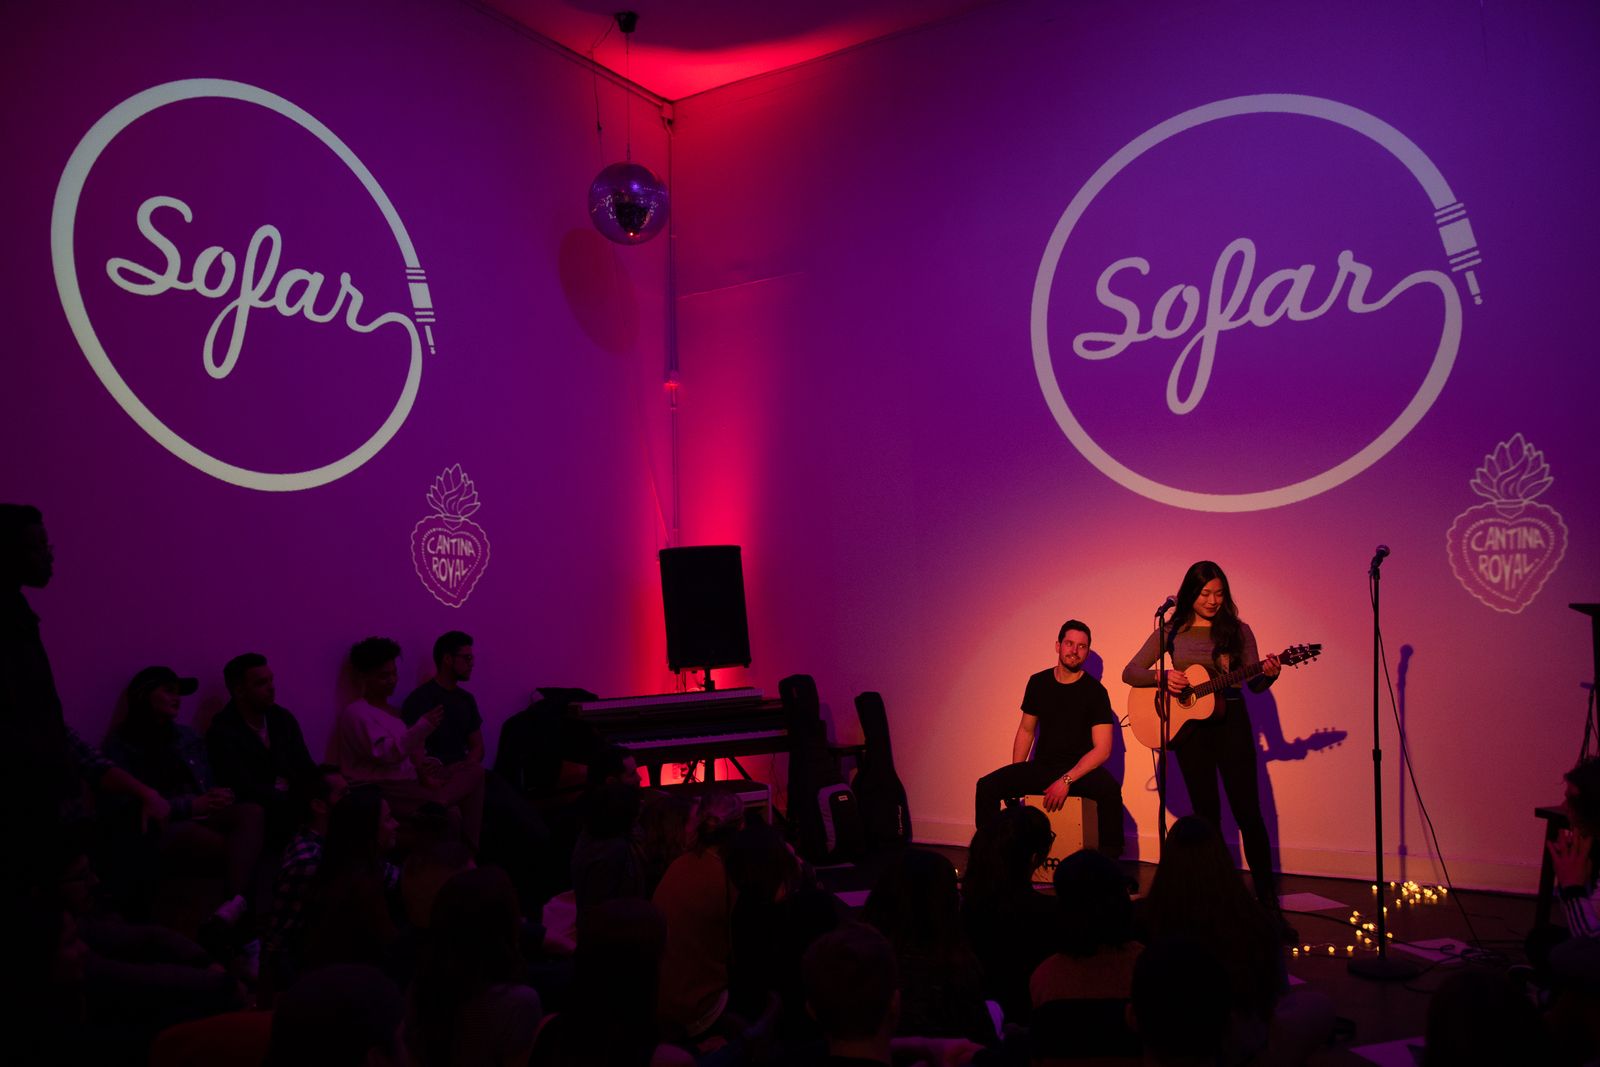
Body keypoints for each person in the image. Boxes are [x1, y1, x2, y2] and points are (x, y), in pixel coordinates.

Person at [0, 504, 168, 851]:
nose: (49, 556)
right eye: (38, 546)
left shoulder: (19, 618)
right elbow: (36, 726)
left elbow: (47, 725)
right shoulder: (12, 625)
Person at [1122, 561, 1281, 912]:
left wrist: (1269, 673)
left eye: (1219, 594)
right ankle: (1216, 897)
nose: (1212, 601)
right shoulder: (1171, 631)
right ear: (1190, 593)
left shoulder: (1238, 631)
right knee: (1206, 815)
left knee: (1248, 811)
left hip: (1231, 721)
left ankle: (1268, 901)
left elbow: (1254, 684)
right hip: (1190, 729)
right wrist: (1163, 677)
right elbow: (1130, 672)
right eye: (1205, 593)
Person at [105, 665, 266, 915]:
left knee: (253, 812)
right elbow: (126, 806)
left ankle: (234, 907)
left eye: (178, 692)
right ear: (144, 695)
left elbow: (207, 781)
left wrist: (219, 795)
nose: (177, 698)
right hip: (163, 823)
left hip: (202, 812)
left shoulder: (186, 736)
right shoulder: (122, 743)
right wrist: (191, 806)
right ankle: (238, 911)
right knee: (229, 848)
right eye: (169, 691)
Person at [973, 619, 1123, 857]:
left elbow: (1103, 749)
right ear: (1058, 646)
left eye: (1082, 646)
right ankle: (988, 860)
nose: (1074, 651)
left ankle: (1107, 867)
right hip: (1043, 766)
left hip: (1078, 771)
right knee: (986, 787)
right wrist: (1017, 775)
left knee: (1110, 790)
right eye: (1069, 643)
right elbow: (1026, 730)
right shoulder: (1038, 682)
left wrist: (1066, 780)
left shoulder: (1096, 692)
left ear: (1087, 652)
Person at [328, 636, 485, 847]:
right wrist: (423, 726)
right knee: (451, 814)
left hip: (409, 781)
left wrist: (428, 769)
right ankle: (440, 807)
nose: (392, 680)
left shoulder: (395, 713)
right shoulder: (356, 713)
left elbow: (410, 754)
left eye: (394, 673)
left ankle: (451, 822)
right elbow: (387, 753)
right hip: (382, 787)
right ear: (364, 677)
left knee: (475, 772)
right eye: (384, 676)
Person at [206, 652, 316, 849]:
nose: (271, 688)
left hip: (293, 798)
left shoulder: (281, 719)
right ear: (239, 691)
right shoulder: (223, 730)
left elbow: (304, 764)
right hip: (264, 808)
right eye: (261, 683)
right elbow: (240, 785)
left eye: (271, 680)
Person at [400, 631, 483, 767]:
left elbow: (477, 746)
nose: (471, 664)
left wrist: (465, 768)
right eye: (467, 658)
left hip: (462, 771)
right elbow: (411, 748)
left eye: (471, 658)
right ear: (448, 659)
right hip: (432, 773)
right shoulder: (419, 699)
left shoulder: (466, 699)